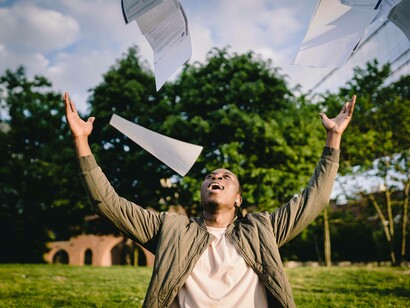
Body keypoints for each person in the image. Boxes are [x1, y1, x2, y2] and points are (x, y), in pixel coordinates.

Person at [64, 92, 356, 308]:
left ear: (238, 199)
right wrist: (81, 141)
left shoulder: (262, 228)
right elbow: (107, 203)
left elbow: (313, 201)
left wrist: (334, 139)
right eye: (209, 177)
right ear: (202, 192)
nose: (216, 178)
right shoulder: (171, 229)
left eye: (226, 177)